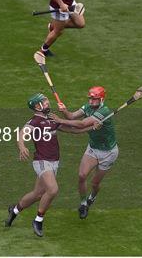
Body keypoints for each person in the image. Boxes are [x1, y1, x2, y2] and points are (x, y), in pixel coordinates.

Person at [5, 93, 93, 237]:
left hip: (54, 161)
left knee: (38, 194)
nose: (48, 104)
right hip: (42, 161)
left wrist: (91, 128)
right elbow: (22, 134)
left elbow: (71, 130)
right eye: (44, 102)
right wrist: (22, 146)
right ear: (37, 106)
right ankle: (38, 220)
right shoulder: (35, 121)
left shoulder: (51, 118)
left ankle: (14, 211)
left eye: (46, 101)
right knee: (52, 190)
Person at [50, 86, 118, 220]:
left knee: (94, 184)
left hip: (108, 153)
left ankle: (92, 197)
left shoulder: (103, 111)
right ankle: (83, 203)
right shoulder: (87, 107)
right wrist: (65, 111)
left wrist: (60, 120)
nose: (91, 101)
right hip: (93, 148)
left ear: (101, 99)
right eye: (90, 98)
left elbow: (81, 124)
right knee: (81, 176)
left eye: (94, 99)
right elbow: (72, 116)